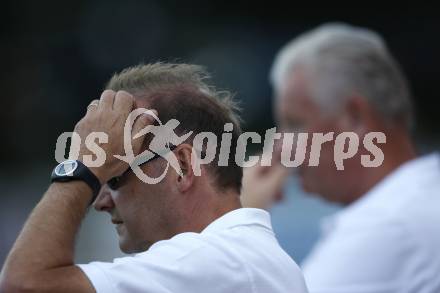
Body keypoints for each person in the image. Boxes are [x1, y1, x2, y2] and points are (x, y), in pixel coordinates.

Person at [0, 63, 308, 293]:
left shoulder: (220, 259)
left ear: (182, 166)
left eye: (115, 175)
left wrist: (83, 166)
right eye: (101, 175)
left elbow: (25, 283)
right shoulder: (236, 258)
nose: (100, 202)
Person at [241, 23, 440, 292]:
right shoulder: (417, 198)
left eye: (295, 123)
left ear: (354, 116)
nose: (280, 147)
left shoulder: (386, 223)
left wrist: (239, 219)